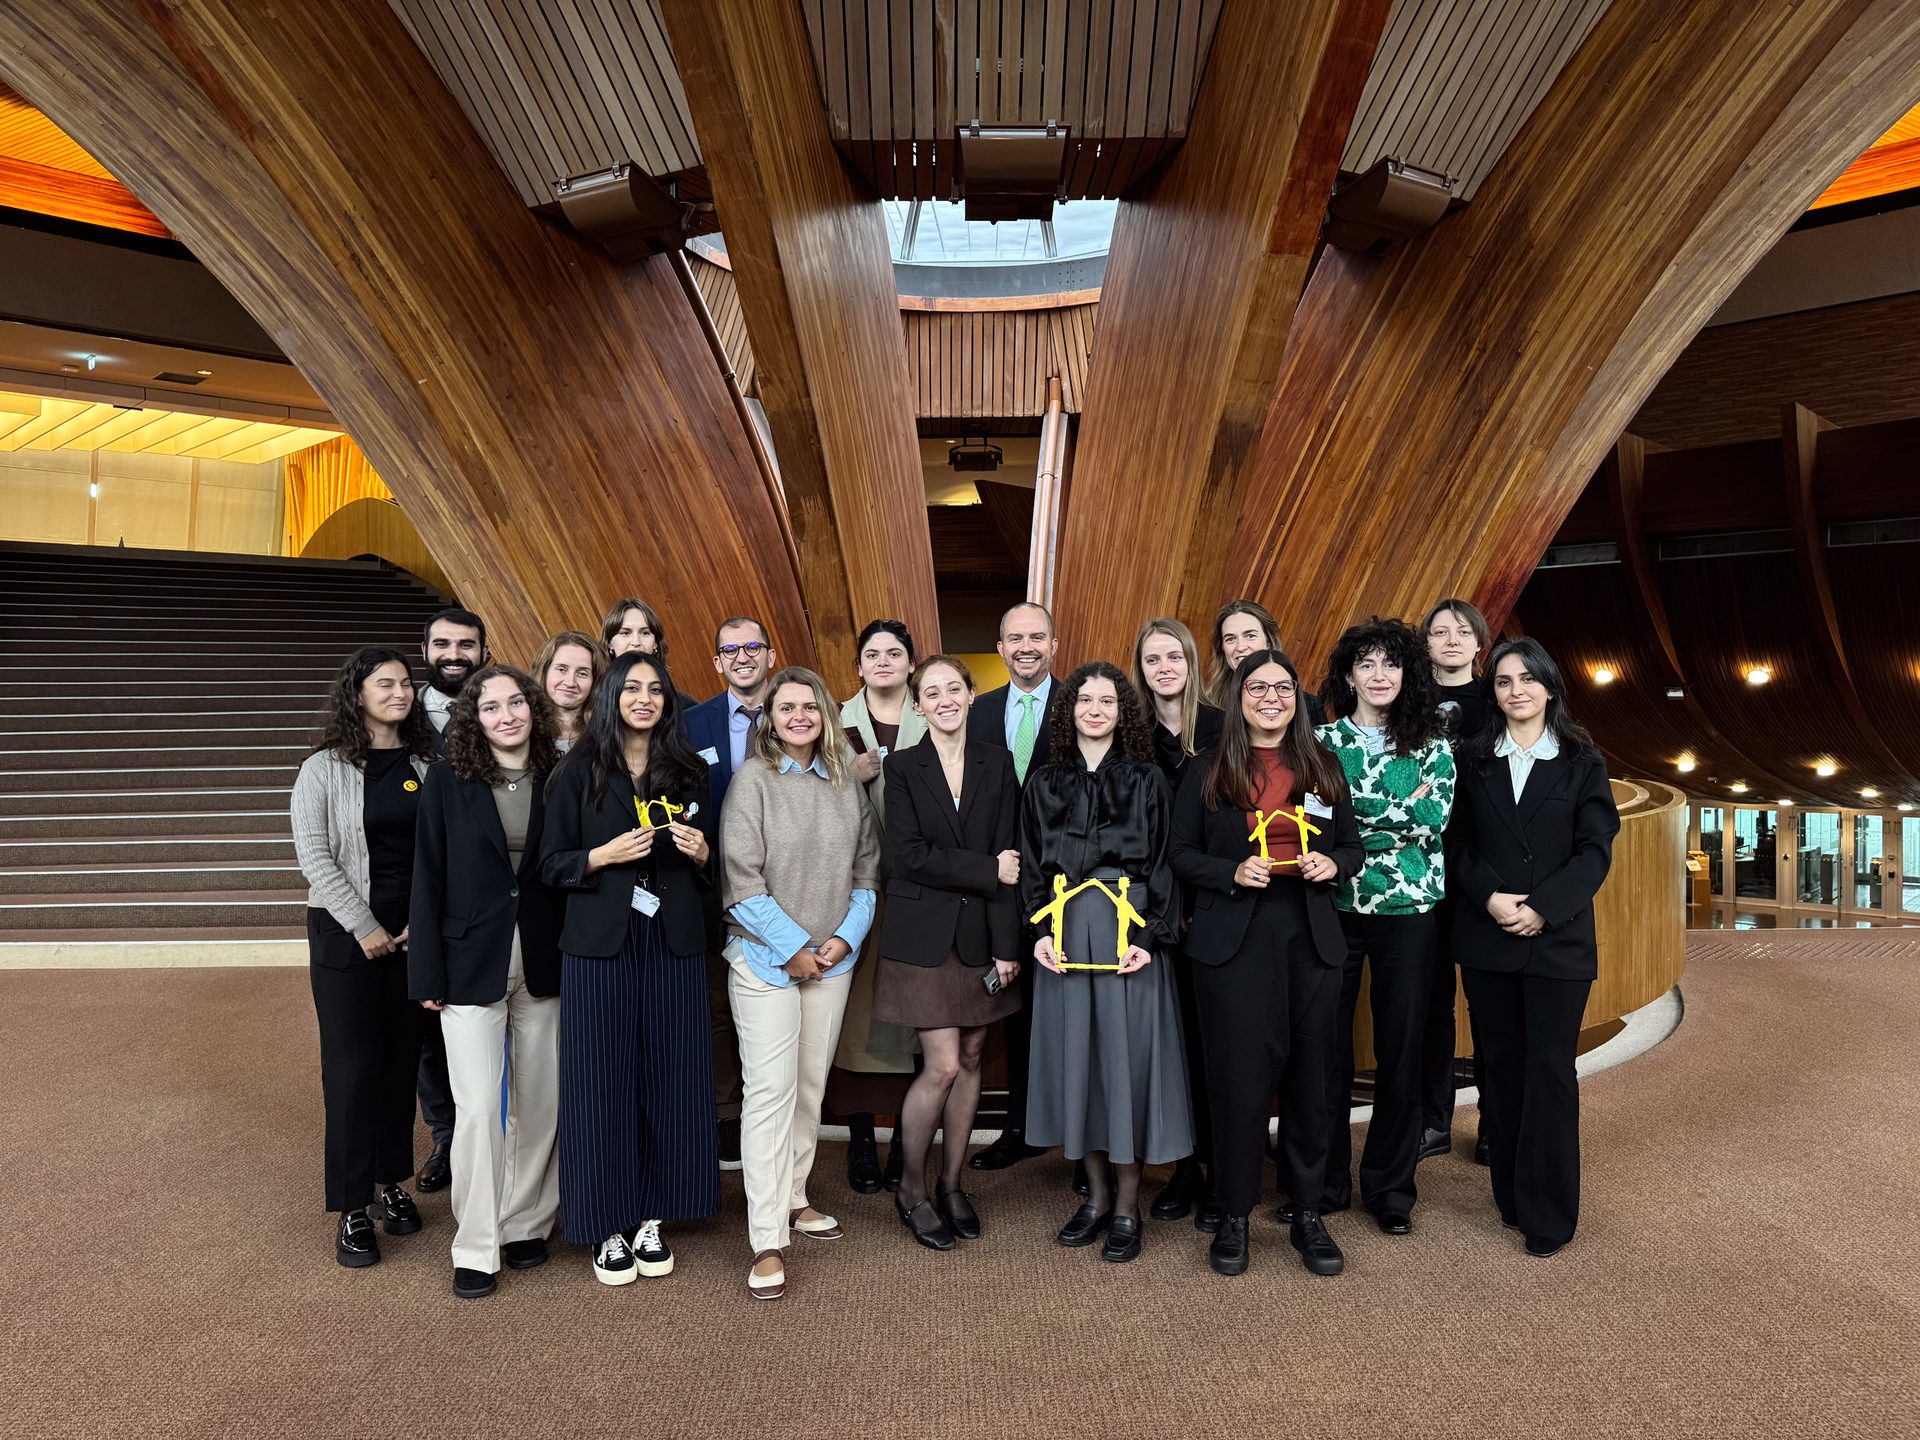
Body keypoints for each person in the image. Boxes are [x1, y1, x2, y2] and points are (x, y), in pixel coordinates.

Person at [1170, 649, 1360, 1276]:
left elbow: (1352, 847)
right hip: (1233, 942)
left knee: (1311, 1084)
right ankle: (1232, 1216)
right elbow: (1180, 854)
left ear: (1297, 697)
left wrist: (1335, 864)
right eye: (1258, 687)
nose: (1271, 697)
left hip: (1310, 936)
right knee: (1239, 1085)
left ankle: (1307, 1215)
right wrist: (1230, 871)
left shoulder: (1323, 766)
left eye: (1283, 687)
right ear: (1238, 696)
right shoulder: (1207, 768)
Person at [540, 651, 722, 1286]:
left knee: (668, 1076)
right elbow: (548, 864)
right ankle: (606, 1223)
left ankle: (651, 1214)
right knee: (599, 1080)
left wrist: (703, 855)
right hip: (599, 944)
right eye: (632, 687)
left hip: (671, 940)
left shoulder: (689, 771)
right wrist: (600, 856)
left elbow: (716, 865)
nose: (644, 698)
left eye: (656, 689)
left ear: (669, 701)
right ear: (611, 693)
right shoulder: (575, 771)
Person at [1446, 638, 1619, 1258]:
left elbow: (1595, 849)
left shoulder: (1581, 759)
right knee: (1503, 1070)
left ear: (1550, 686)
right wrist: (1492, 897)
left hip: (1558, 941)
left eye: (1526, 679)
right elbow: (1455, 843)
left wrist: (1542, 906)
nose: (1514, 690)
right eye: (1502, 681)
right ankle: (1512, 1198)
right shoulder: (1472, 758)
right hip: (1489, 936)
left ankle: (1549, 1212)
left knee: (1549, 1072)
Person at [1019, 661, 1190, 1264]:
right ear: (1068, 713)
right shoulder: (1043, 782)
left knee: (1126, 1065)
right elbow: (1034, 863)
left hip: (1129, 935)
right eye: (1084, 700)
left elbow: (1166, 861)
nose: (1095, 709)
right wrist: (1038, 929)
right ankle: (1092, 1197)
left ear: (1124, 711)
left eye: (1108, 701)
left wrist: (1152, 934)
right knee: (1080, 1065)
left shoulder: (1147, 779)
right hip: (1064, 937)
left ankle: (1126, 1203)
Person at [720, 666, 881, 1301]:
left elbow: (868, 869)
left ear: (824, 716)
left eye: (809, 707)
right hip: (764, 963)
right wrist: (792, 950)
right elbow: (740, 878)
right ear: (771, 717)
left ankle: (793, 1196)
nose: (799, 717)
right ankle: (765, 1239)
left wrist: (845, 939)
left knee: (809, 1089)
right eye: (786, 707)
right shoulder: (752, 782)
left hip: (832, 961)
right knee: (769, 1092)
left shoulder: (845, 784)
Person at [408, 664, 565, 1300]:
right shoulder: (447, 780)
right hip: (469, 963)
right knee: (476, 1109)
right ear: (474, 719)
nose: (507, 715)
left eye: (516, 703)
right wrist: (426, 970)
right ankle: (475, 1243)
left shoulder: (561, 776)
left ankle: (525, 1222)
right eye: (491, 707)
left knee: (539, 1102)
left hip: (546, 960)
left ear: (534, 708)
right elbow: (428, 875)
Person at [290, 647, 435, 1268]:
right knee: (353, 1072)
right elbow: (315, 857)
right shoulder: (323, 768)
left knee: (401, 1067)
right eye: (385, 684)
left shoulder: (430, 765)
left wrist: (415, 926)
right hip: (347, 942)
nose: (399, 692)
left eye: (406, 683)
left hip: (411, 939)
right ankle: (352, 1207)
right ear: (358, 694)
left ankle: (389, 1185)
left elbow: (442, 851)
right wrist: (366, 925)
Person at [872, 655, 1022, 1249]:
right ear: (918, 706)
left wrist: (1008, 945)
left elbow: (1014, 859)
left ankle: (953, 1184)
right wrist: (986, 868)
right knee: (942, 1064)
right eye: (931, 692)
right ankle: (911, 1186)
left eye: (953, 689)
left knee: (975, 1054)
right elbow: (909, 856)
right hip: (924, 938)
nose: (944, 700)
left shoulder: (998, 762)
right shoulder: (903, 768)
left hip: (984, 936)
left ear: (969, 695)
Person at [1312, 618, 1455, 1236]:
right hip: (1332, 906)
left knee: (1401, 1051)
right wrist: (1386, 815)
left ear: (1407, 674)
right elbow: (1314, 825)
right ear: (1348, 674)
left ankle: (1391, 1188)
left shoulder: (1434, 740)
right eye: (1366, 664)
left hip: (1410, 910)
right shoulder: (1317, 742)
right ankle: (1325, 1183)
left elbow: (1432, 818)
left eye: (1390, 664)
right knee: (1325, 1054)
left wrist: (1355, 812)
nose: (1379, 675)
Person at [831, 619, 927, 1195]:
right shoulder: (831, 720)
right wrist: (849, 778)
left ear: (912, 664)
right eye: (873, 654)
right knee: (853, 1020)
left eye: (895, 653)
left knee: (912, 1019)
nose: (884, 661)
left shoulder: (935, 713)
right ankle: (862, 1139)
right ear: (859, 667)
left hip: (918, 893)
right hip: (849, 892)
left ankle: (905, 1145)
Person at [1133, 616, 1222, 1227]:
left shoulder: (1222, 728)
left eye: (1174, 657)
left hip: (1215, 908)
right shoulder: (1131, 735)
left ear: (1191, 663)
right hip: (1148, 913)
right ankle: (1182, 1169)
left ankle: (1222, 1170)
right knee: (1170, 1049)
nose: (1164, 668)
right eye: (1152, 660)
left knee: (1215, 1045)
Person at [966, 601, 1061, 1173]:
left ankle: (1079, 1135)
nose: (1026, 647)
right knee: (1013, 1011)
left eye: (1037, 637)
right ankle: (1021, 1126)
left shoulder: (1084, 705)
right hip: (997, 885)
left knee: (1074, 1008)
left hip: (1069, 886)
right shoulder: (978, 713)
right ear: (1000, 648)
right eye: (1015, 638)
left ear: (1053, 644)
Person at [684, 616, 779, 1168]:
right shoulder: (692, 724)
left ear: (769, 654)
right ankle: (727, 1113)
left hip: (784, 889)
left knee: (773, 1002)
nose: (742, 656)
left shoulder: (797, 712)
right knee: (718, 1003)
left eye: (751, 647)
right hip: (708, 883)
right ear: (717, 662)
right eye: (730, 650)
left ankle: (771, 1115)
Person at [413, 605, 488, 1190]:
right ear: (426, 650)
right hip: (416, 898)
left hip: (481, 905)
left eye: (466, 645)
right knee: (427, 1037)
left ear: (484, 653)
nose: (454, 654)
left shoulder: (506, 710)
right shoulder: (396, 712)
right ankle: (445, 1137)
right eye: (443, 644)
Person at [1420, 597, 1493, 1165]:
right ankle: (1434, 1120)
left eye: (1460, 631)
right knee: (1433, 1002)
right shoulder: (1409, 702)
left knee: (1488, 1000)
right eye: (1439, 632)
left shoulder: (1499, 698)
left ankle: (1493, 1120)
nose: (1450, 640)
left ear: (1477, 643)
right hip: (1422, 866)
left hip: (1482, 867)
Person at [1206, 600, 1328, 724]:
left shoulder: (1309, 706)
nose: (1240, 647)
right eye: (1230, 639)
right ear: (1222, 648)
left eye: (1250, 636)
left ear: (1269, 642)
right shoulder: (1208, 706)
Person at [600, 597, 695, 707]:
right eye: (625, 633)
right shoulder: (593, 700)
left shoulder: (682, 705)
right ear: (610, 644)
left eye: (645, 633)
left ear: (655, 643)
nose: (636, 642)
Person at [533, 630, 605, 750]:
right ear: (545, 671)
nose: (570, 682)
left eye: (582, 673)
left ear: (595, 681)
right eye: (562, 669)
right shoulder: (523, 728)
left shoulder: (607, 734)